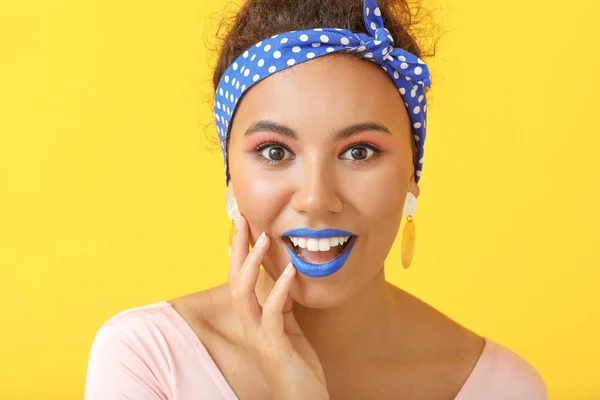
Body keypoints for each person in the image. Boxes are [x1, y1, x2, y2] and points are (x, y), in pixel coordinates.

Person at [83, 0, 548, 398]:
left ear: (412, 175)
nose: (315, 198)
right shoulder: (145, 360)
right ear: (231, 179)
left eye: (359, 152)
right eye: (275, 152)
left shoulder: (502, 386)